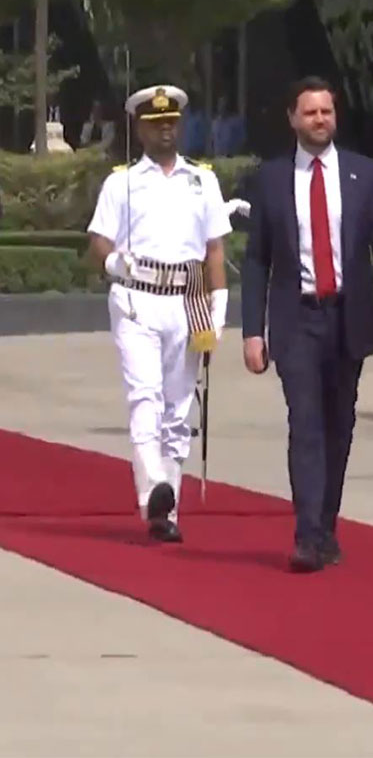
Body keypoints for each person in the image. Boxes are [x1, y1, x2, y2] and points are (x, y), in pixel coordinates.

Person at [240, 76, 373, 572]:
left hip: (348, 316)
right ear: (293, 118)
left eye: (327, 112)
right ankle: (307, 535)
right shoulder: (271, 179)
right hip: (296, 320)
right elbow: (256, 261)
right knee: (306, 424)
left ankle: (327, 524)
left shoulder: (363, 173)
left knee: (339, 426)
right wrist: (254, 331)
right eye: (310, 112)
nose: (320, 120)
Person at [86, 84, 231, 542]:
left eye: (171, 122)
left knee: (178, 407)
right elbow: (98, 240)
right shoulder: (121, 181)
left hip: (187, 300)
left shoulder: (202, 180)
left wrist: (220, 303)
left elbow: (214, 248)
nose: (165, 129)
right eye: (155, 123)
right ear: (140, 128)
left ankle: (168, 513)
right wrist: (113, 262)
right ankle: (154, 489)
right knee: (144, 397)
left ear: (180, 124)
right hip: (136, 298)